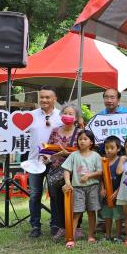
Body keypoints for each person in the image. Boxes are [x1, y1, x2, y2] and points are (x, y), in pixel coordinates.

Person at [27, 85, 62, 238]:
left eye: (48, 97)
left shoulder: (62, 116)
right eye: (42, 97)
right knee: (34, 194)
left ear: (55, 99)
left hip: (55, 162)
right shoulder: (30, 116)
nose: (44, 100)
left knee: (54, 194)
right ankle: (35, 225)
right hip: (34, 161)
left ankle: (55, 224)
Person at [44, 103, 81, 240]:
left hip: (75, 172)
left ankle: (76, 227)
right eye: (65, 113)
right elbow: (48, 149)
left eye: (71, 114)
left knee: (75, 199)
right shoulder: (55, 131)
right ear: (61, 116)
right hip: (56, 170)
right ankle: (61, 227)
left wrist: (67, 154)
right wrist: (46, 157)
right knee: (57, 200)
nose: (68, 116)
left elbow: (86, 151)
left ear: (76, 118)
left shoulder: (79, 133)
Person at [62, 130, 103, 247]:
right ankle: (71, 237)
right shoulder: (73, 155)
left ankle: (91, 236)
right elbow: (66, 169)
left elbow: (100, 171)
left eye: (85, 139)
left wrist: (89, 175)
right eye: (80, 139)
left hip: (93, 188)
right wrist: (67, 182)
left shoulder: (96, 156)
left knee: (91, 212)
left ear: (91, 142)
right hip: (78, 188)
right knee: (76, 213)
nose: (82, 141)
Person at [100, 136, 123, 242]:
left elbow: (123, 179)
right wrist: (102, 188)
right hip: (106, 195)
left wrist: (118, 191)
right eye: (106, 147)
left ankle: (118, 236)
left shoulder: (121, 161)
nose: (108, 150)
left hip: (118, 194)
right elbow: (101, 178)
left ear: (118, 149)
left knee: (118, 216)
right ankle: (107, 235)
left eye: (111, 148)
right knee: (107, 216)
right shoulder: (103, 161)